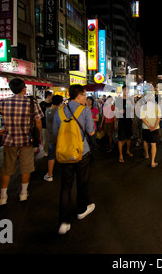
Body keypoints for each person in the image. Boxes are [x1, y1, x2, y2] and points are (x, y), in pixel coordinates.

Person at [0, 78, 43, 206]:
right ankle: (23, 194)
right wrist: (39, 136)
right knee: (26, 167)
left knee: (7, 167)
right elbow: (38, 121)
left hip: (9, 140)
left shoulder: (3, 102)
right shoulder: (32, 103)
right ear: (23, 88)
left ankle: (3, 196)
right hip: (27, 140)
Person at [53, 84, 95, 235]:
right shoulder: (85, 110)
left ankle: (63, 222)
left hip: (65, 153)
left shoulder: (59, 111)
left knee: (65, 185)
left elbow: (55, 132)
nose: (86, 98)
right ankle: (81, 210)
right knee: (82, 182)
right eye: (84, 95)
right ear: (78, 95)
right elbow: (91, 132)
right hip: (82, 152)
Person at [44, 95, 64, 182]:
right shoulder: (61, 111)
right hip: (61, 136)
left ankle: (50, 175)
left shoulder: (47, 111)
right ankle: (64, 172)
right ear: (60, 102)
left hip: (51, 136)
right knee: (63, 154)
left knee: (51, 156)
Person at [140, 92, 162, 168]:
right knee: (153, 144)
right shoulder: (157, 106)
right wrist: (154, 126)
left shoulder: (143, 107)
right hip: (155, 128)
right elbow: (159, 117)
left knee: (145, 141)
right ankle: (152, 162)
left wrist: (149, 126)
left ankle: (146, 154)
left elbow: (142, 118)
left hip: (146, 127)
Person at [116, 86, 134, 163]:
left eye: (128, 90)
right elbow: (115, 111)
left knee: (128, 137)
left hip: (128, 121)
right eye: (125, 89)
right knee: (120, 138)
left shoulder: (130, 99)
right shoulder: (118, 99)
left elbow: (134, 110)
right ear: (123, 90)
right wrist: (119, 112)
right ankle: (120, 155)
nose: (126, 91)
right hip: (121, 121)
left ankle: (127, 150)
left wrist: (131, 104)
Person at [40, 90, 53, 156]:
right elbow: (40, 116)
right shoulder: (42, 104)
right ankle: (45, 151)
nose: (52, 97)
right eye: (51, 96)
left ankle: (51, 151)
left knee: (52, 139)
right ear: (48, 96)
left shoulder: (52, 104)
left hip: (52, 125)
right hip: (44, 125)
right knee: (45, 139)